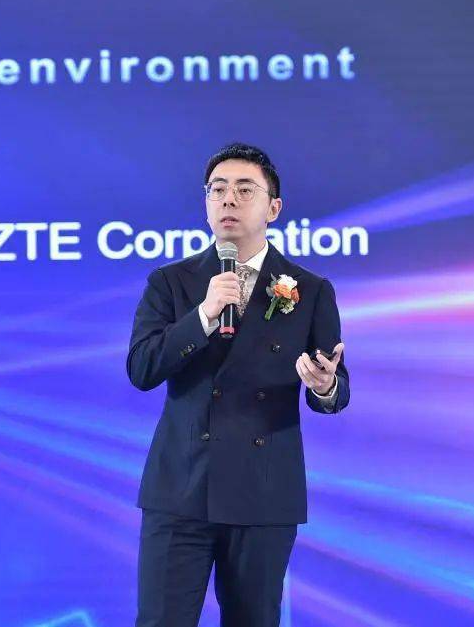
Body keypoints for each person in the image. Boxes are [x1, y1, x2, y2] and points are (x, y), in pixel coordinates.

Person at [126, 142, 350, 626]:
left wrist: (324, 385)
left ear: (273, 208)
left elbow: (336, 389)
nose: (228, 199)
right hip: (181, 487)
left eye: (244, 189)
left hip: (263, 491)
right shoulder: (171, 282)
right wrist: (204, 315)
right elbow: (141, 369)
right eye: (218, 189)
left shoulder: (310, 289)